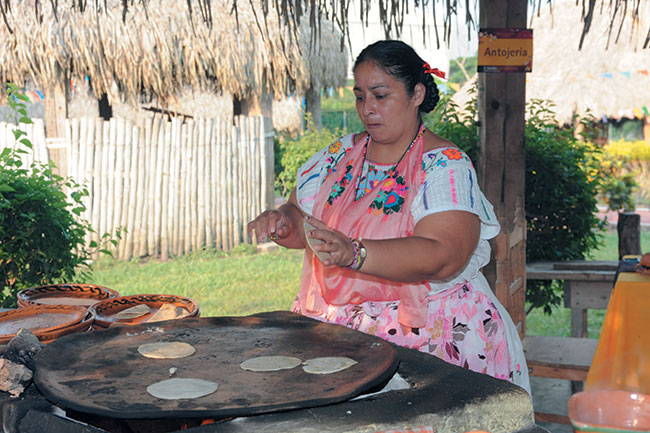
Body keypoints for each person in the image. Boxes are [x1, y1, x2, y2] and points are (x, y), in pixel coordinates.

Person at [248, 40, 530, 393]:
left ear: (416, 94)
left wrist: (355, 253)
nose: (368, 109)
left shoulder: (444, 166)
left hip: (432, 337)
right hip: (343, 335)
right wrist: (282, 222)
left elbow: (443, 255)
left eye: (380, 95)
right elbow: (302, 220)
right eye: (360, 96)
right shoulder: (340, 156)